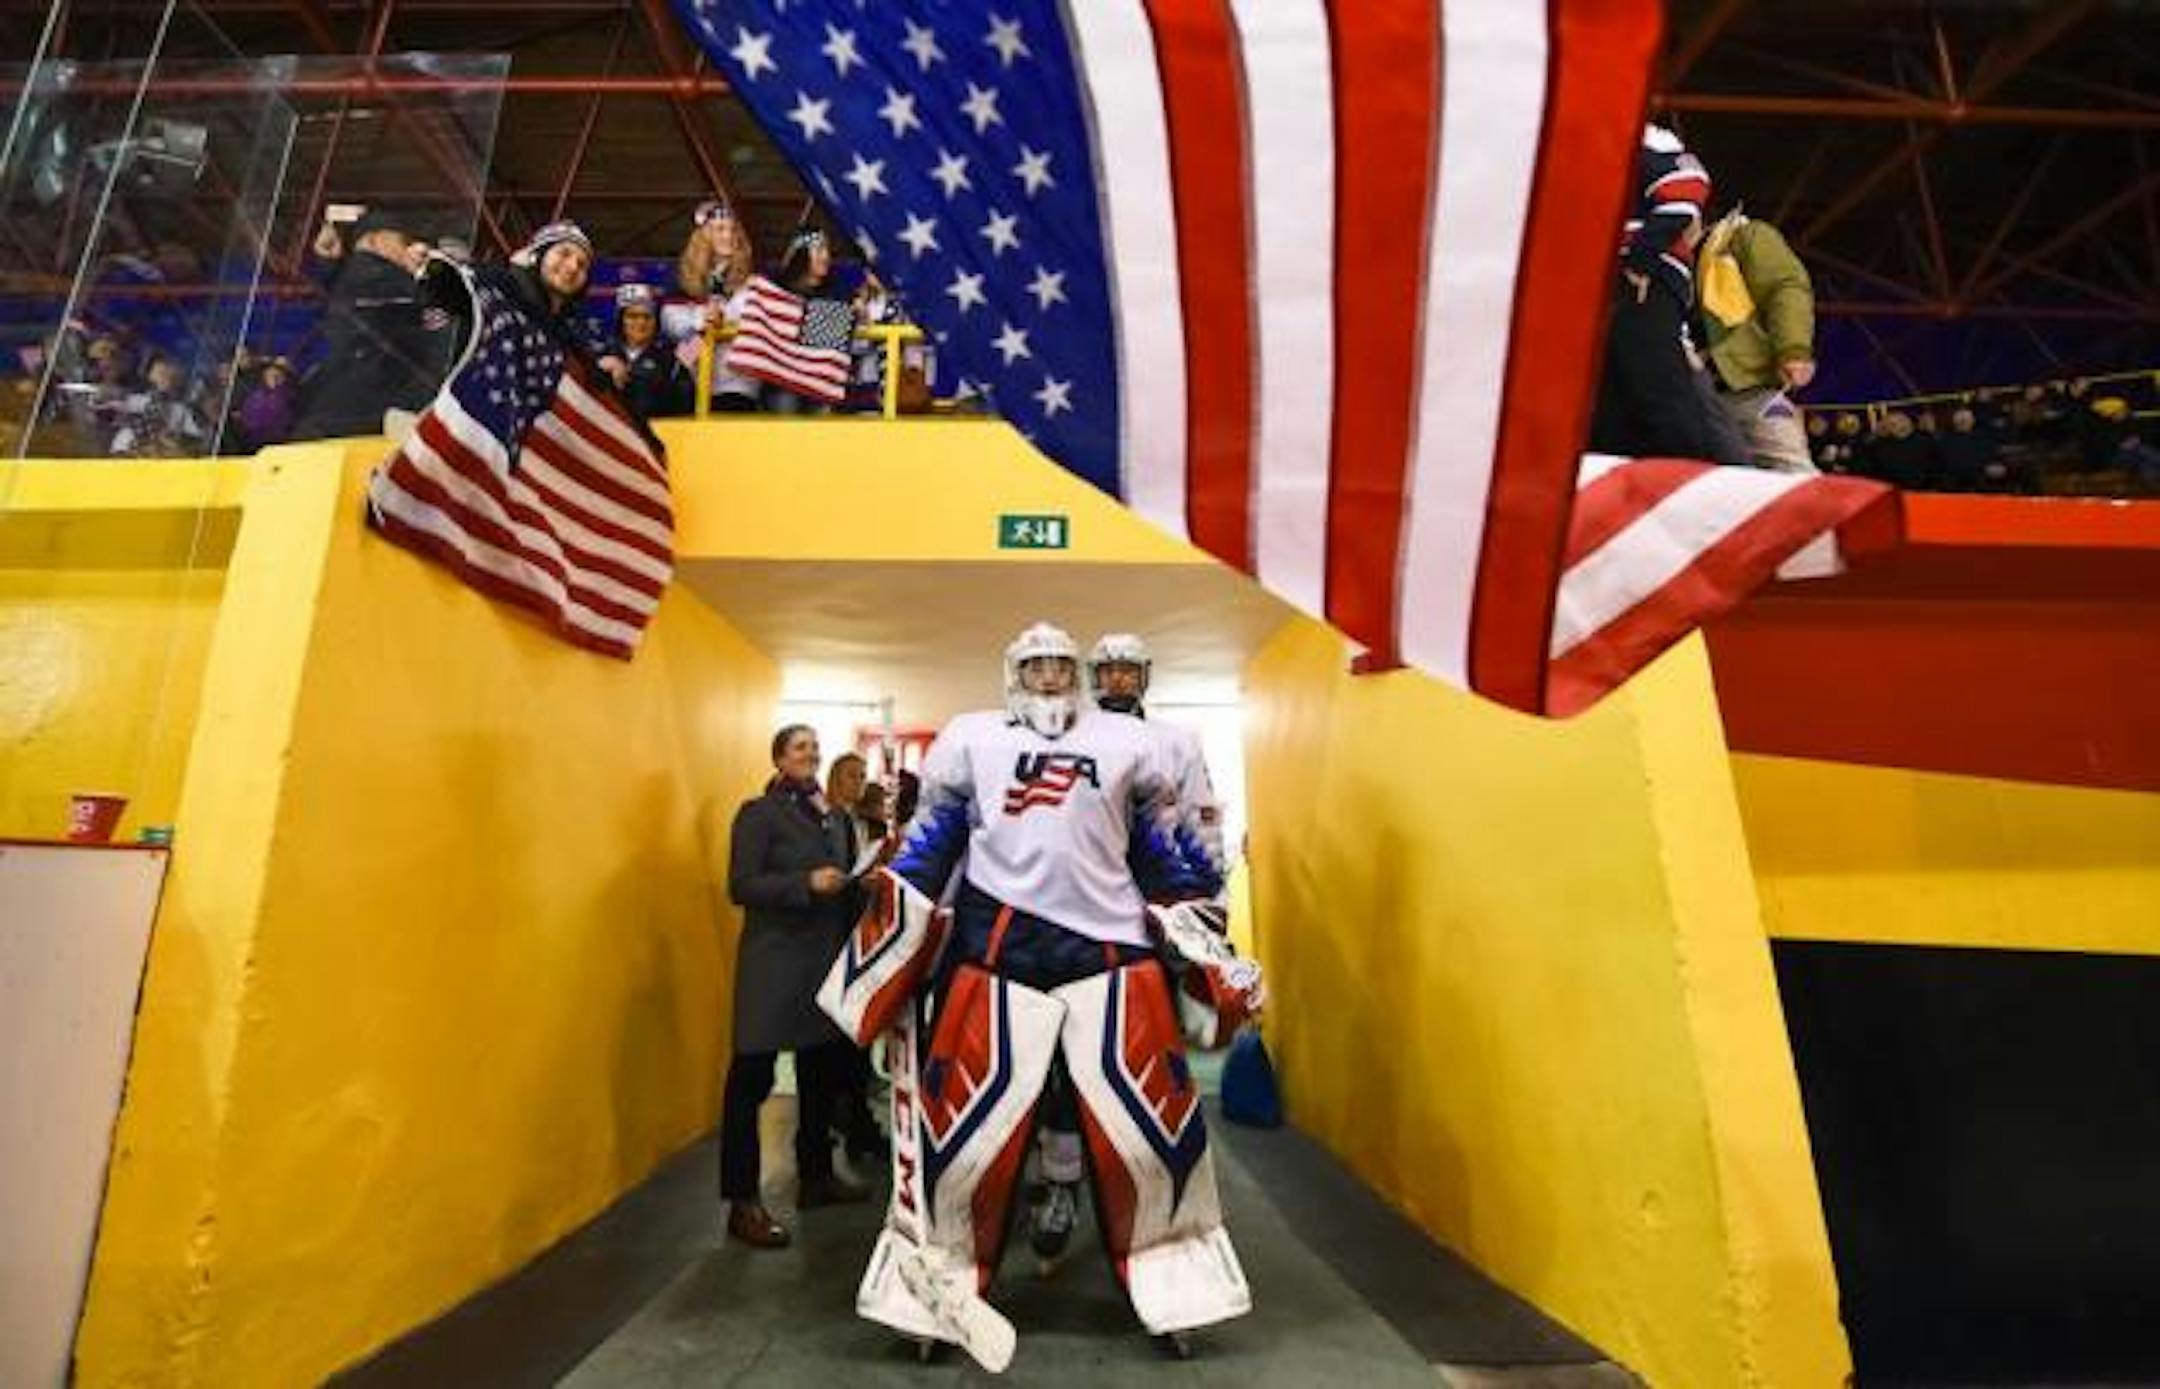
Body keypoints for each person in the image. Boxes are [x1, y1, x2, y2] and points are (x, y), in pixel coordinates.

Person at [817, 623, 1261, 1366]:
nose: (1051, 677)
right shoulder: (973, 738)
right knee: (960, 1144)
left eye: (1062, 663)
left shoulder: (1132, 747)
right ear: (1012, 671)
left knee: (1154, 1139)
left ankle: (1180, 1288)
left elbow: (1165, 858)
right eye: (1037, 664)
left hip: (1112, 955)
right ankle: (934, 1291)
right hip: (997, 955)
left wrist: (1213, 949)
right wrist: (886, 952)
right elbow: (930, 850)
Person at [1028, 632, 1228, 1267]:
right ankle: (1061, 1184)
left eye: (1128, 672)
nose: (1117, 682)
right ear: (1093, 677)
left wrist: (1199, 921)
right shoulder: (1066, 738)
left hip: (1149, 931)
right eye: (1107, 672)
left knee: (1149, 1066)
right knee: (1062, 1059)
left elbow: (1201, 825)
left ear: (1145, 678)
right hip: (1075, 929)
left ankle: (1149, 1193)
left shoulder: (1176, 743)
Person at [719, 725, 871, 1250]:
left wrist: (865, 884)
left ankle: (816, 1178)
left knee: (821, 1079)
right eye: (800, 747)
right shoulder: (759, 814)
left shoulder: (835, 818)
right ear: (779, 759)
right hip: (774, 969)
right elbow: (741, 885)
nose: (811, 754)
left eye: (814, 747)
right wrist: (803, 883)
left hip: (823, 968)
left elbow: (844, 887)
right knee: (750, 1083)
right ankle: (742, 1203)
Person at [1589, 125, 1720, 462]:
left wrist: (1640, 262)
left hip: (1637, 280)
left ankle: (1686, 485)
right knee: (1608, 404)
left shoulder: (1641, 135)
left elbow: (1684, 192)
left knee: (1656, 392)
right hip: (1598, 282)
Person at [291, 208, 450, 440]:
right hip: (375, 407)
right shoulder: (380, 277)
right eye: (403, 241)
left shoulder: (347, 278)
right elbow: (436, 326)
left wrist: (328, 265)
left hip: (346, 409)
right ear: (375, 240)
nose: (409, 249)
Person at [1697, 208, 1819, 473]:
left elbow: (1785, 288)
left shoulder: (1741, 237)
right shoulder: (1654, 255)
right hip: (1684, 397)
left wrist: (1793, 349)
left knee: (1792, 477)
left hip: (1746, 388)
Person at [667, 199, 762, 413]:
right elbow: (669, 323)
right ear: (703, 235)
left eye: (732, 230)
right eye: (719, 229)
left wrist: (727, 313)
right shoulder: (684, 277)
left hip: (738, 384)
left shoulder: (752, 280)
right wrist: (700, 318)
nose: (728, 236)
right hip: (693, 377)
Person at [610, 283, 693, 421]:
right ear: (621, 320)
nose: (641, 322)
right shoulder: (601, 356)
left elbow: (701, 338)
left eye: (647, 317)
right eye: (633, 316)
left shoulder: (674, 359)